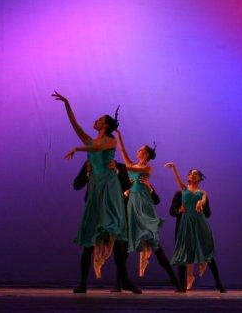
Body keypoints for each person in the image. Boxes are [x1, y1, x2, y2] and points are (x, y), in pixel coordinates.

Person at [52, 92, 127, 293]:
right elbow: (75, 125)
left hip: (108, 187)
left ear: (106, 125)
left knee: (111, 229)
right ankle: (83, 283)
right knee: (89, 235)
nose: (96, 120)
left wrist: (77, 148)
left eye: (100, 119)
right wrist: (67, 104)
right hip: (95, 187)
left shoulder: (111, 141)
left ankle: (122, 281)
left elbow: (96, 147)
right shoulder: (90, 140)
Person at [115, 129, 182, 291]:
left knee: (154, 244)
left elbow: (130, 167)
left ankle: (175, 281)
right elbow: (124, 154)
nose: (138, 151)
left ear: (145, 155)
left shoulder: (147, 169)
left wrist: (125, 168)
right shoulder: (135, 165)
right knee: (128, 243)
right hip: (132, 203)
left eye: (141, 150)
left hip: (143, 204)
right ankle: (119, 284)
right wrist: (119, 136)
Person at [73, 160, 141, 293]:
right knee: (89, 246)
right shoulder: (91, 163)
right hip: (96, 211)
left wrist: (116, 171)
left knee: (118, 247)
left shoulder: (118, 166)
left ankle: (125, 282)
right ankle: (83, 284)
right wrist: (87, 173)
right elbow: (76, 185)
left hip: (112, 211)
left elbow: (127, 185)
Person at [169, 169, 226, 293]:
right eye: (190, 173)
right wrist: (179, 210)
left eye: (195, 174)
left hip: (199, 225)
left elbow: (208, 212)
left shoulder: (202, 193)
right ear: (188, 177)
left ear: (200, 178)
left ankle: (218, 283)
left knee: (206, 253)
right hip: (184, 226)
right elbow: (171, 211)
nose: (192, 175)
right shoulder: (180, 192)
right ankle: (181, 286)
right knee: (183, 254)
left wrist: (202, 207)